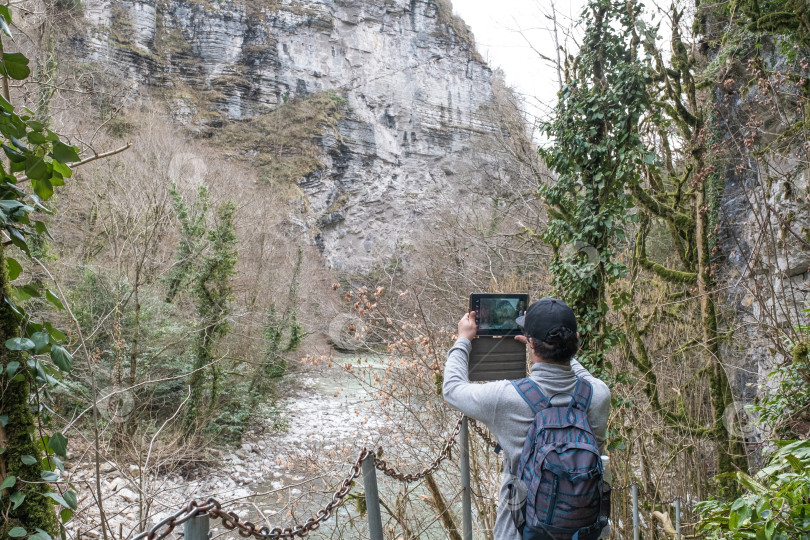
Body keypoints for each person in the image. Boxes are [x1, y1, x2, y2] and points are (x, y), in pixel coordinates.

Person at [443, 297, 611, 540]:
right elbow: (580, 374)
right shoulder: (598, 395)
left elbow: (452, 389)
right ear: (576, 341)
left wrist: (462, 340)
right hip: (582, 532)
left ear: (531, 343)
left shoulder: (507, 398)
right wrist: (550, 347)